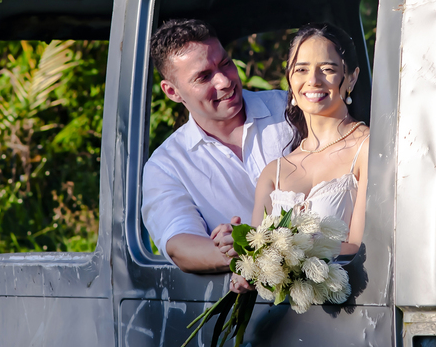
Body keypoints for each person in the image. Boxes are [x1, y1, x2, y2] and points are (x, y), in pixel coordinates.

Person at [220, 23, 369, 290]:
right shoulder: (274, 172)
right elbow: (257, 256)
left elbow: (360, 247)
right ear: (289, 79)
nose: (313, 80)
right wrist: (245, 263)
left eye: (328, 69)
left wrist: (290, 253)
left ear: (352, 78)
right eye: (301, 69)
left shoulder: (368, 148)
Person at [142, 19, 293, 272]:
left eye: (225, 63)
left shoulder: (291, 111)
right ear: (172, 92)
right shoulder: (166, 166)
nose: (224, 81)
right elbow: (179, 244)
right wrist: (239, 252)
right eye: (204, 76)